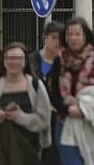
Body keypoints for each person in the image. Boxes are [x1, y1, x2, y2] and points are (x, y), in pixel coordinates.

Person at [55, 17, 94, 165]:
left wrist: (86, 108)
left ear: (85, 35)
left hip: (92, 121)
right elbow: (54, 93)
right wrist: (68, 108)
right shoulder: (59, 59)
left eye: (77, 34)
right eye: (69, 34)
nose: (73, 38)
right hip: (66, 121)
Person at [0, 42, 52, 165]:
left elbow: (44, 119)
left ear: (25, 62)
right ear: (4, 61)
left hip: (30, 148)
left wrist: (21, 117)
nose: (15, 62)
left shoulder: (36, 85)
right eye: (10, 58)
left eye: (19, 58)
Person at [29, 21, 64, 165]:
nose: (58, 42)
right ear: (45, 38)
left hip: (57, 118)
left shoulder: (64, 63)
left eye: (61, 39)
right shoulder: (32, 61)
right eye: (54, 38)